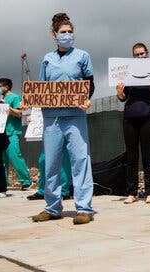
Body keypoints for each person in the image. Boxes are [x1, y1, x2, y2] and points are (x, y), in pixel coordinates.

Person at [30, 12, 95, 225]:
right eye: (63, 32)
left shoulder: (83, 56)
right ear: (54, 36)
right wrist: (29, 104)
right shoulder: (47, 59)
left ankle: (84, 208)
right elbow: (40, 89)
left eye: (70, 32)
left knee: (80, 161)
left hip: (75, 116)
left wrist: (86, 99)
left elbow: (89, 84)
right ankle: (52, 207)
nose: (67, 35)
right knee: (51, 163)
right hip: (51, 118)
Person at [116, 43, 150, 204]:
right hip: (129, 119)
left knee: (148, 156)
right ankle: (132, 193)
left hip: (148, 119)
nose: (139, 57)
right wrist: (119, 92)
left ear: (147, 54)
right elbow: (123, 98)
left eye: (141, 54)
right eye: (136, 55)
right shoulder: (127, 74)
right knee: (131, 157)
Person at [0, 78, 32, 190]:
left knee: (15, 155)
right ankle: (3, 183)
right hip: (0, 133)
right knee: (1, 160)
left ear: (6, 87)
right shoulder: (0, 99)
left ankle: (26, 180)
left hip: (11, 132)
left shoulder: (15, 97)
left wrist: (7, 108)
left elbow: (19, 113)